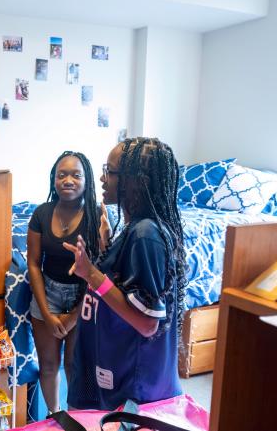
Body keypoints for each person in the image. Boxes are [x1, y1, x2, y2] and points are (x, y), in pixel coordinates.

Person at [64, 137, 186, 410]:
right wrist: (108, 247)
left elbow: (147, 323)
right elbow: (125, 286)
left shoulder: (146, 235)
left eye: (110, 171)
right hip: (113, 372)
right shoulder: (135, 231)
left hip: (131, 389)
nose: (103, 179)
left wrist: (91, 273)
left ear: (135, 180)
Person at [27, 151, 101, 414]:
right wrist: (46, 313)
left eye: (76, 175)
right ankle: (55, 416)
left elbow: (101, 273)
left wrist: (73, 316)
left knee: (73, 364)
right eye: (62, 175)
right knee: (48, 364)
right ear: (53, 179)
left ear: (87, 180)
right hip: (47, 292)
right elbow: (34, 263)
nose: (68, 180)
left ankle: (75, 417)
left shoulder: (97, 215)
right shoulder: (41, 213)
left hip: (84, 295)